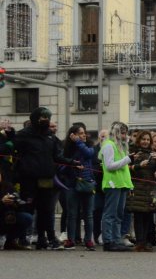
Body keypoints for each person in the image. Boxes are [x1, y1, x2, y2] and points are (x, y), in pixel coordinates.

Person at [2, 107, 79, 250]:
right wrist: (9, 135)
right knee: (27, 208)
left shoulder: (50, 136)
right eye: (43, 117)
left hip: (46, 178)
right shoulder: (24, 135)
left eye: (47, 118)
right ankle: (22, 239)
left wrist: (72, 162)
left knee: (46, 210)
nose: (46, 120)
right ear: (35, 118)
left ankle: (46, 239)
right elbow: (10, 147)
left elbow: (57, 156)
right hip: (28, 179)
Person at [126, 130, 156, 252]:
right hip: (137, 187)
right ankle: (139, 242)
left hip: (150, 189)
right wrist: (138, 165)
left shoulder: (153, 154)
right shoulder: (133, 153)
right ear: (139, 140)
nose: (146, 141)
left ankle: (147, 242)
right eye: (143, 139)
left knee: (148, 216)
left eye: (148, 139)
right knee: (138, 216)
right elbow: (126, 169)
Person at [62, 124, 97, 251]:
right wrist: (72, 165)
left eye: (84, 133)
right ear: (73, 135)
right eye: (80, 133)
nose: (84, 135)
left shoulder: (89, 146)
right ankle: (71, 240)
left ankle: (88, 240)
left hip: (87, 183)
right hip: (72, 184)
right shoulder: (67, 149)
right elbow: (62, 165)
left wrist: (78, 142)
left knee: (88, 215)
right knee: (72, 214)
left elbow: (88, 154)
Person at [100, 121, 133, 251]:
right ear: (117, 133)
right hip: (112, 184)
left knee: (119, 214)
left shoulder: (121, 146)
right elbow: (109, 165)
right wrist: (128, 159)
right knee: (110, 214)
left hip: (121, 184)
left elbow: (123, 168)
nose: (125, 136)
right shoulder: (109, 145)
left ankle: (116, 239)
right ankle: (108, 241)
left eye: (126, 133)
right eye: (123, 133)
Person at [1, 166, 32, 250]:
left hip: (6, 216)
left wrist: (15, 203)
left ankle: (10, 241)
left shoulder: (7, 186)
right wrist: (2, 201)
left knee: (26, 217)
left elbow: (20, 204)